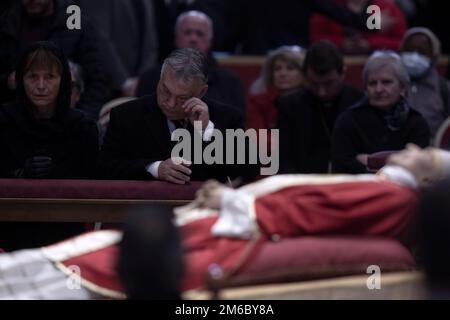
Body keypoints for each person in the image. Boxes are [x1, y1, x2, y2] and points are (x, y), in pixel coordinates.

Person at [0, 166, 419, 299]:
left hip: (231, 229)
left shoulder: (394, 195)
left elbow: (305, 210)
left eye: (424, 153)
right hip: (228, 222)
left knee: (80, 263)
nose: (414, 150)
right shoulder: (393, 189)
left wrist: (233, 202)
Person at [100, 48, 253, 184]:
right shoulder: (125, 115)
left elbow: (248, 172)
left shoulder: (227, 117)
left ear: (201, 92)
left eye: (182, 98)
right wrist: (155, 168)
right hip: (145, 210)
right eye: (165, 91)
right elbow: (105, 168)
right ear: (160, 80)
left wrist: (207, 130)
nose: (171, 103)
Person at [0, 41, 99, 250]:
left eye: (50, 77)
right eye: (32, 77)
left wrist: (60, 173)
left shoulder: (82, 127)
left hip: (66, 237)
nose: (41, 86)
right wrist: (18, 175)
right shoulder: (3, 121)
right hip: (8, 236)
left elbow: (93, 179)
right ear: (20, 80)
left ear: (63, 81)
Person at [0, 0, 111, 120]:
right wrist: (8, 81)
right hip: (16, 121)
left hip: (67, 121)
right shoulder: (7, 22)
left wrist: (81, 121)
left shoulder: (74, 21)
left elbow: (97, 81)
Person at [331, 50, 430, 174]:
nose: (378, 89)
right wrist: (397, 161)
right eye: (372, 83)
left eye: (386, 82)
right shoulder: (348, 121)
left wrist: (370, 161)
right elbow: (341, 167)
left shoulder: (416, 123)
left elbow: (420, 170)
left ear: (402, 87)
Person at [277, 41, 364, 174]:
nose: (321, 92)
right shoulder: (290, 105)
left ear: (343, 73)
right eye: (314, 84)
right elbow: (283, 159)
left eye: (329, 84)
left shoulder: (359, 102)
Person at [136, 10, 246, 114]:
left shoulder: (230, 83)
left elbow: (235, 126)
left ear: (210, 41)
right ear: (176, 38)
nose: (193, 38)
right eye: (187, 32)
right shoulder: (150, 78)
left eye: (200, 34)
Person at [77, 0, 159, 97]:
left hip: (141, 88)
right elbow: (99, 38)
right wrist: (124, 83)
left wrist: (143, 81)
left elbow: (151, 43)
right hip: (109, 88)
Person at [399, 27, 450, 139]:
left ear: (433, 55)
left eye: (422, 51)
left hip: (433, 151)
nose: (414, 56)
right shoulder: (390, 83)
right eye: (410, 50)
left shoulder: (444, 88)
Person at [246, 45, 305, 135]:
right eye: (277, 69)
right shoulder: (258, 102)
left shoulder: (312, 100)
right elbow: (258, 138)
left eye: (290, 68)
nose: (282, 74)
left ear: (303, 73)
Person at [310, 0, 406, 54]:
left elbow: (403, 43)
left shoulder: (386, 8)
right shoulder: (328, 7)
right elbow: (314, 38)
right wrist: (341, 43)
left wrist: (371, 44)